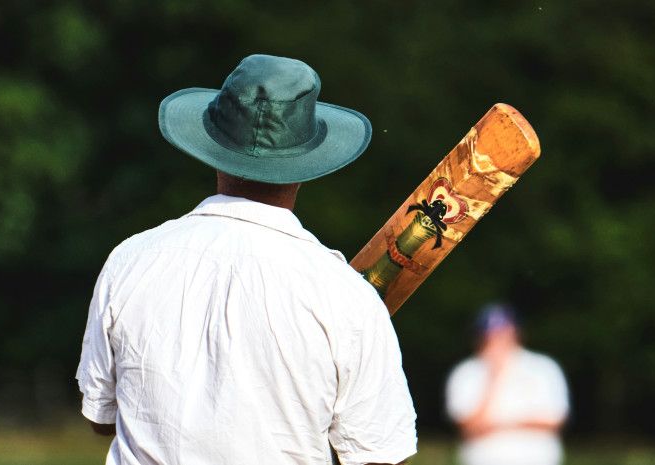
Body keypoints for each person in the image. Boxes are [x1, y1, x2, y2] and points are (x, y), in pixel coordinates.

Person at [76, 54, 417, 465]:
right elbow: (378, 455)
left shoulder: (130, 260)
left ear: (211, 144)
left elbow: (101, 414)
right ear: (306, 165)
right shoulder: (345, 296)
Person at [445, 304, 569, 465]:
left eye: (503, 334)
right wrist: (493, 377)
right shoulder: (466, 372)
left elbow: (554, 420)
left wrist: (499, 423)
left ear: (516, 333)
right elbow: (470, 426)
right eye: (491, 335)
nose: (498, 340)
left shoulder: (543, 368)